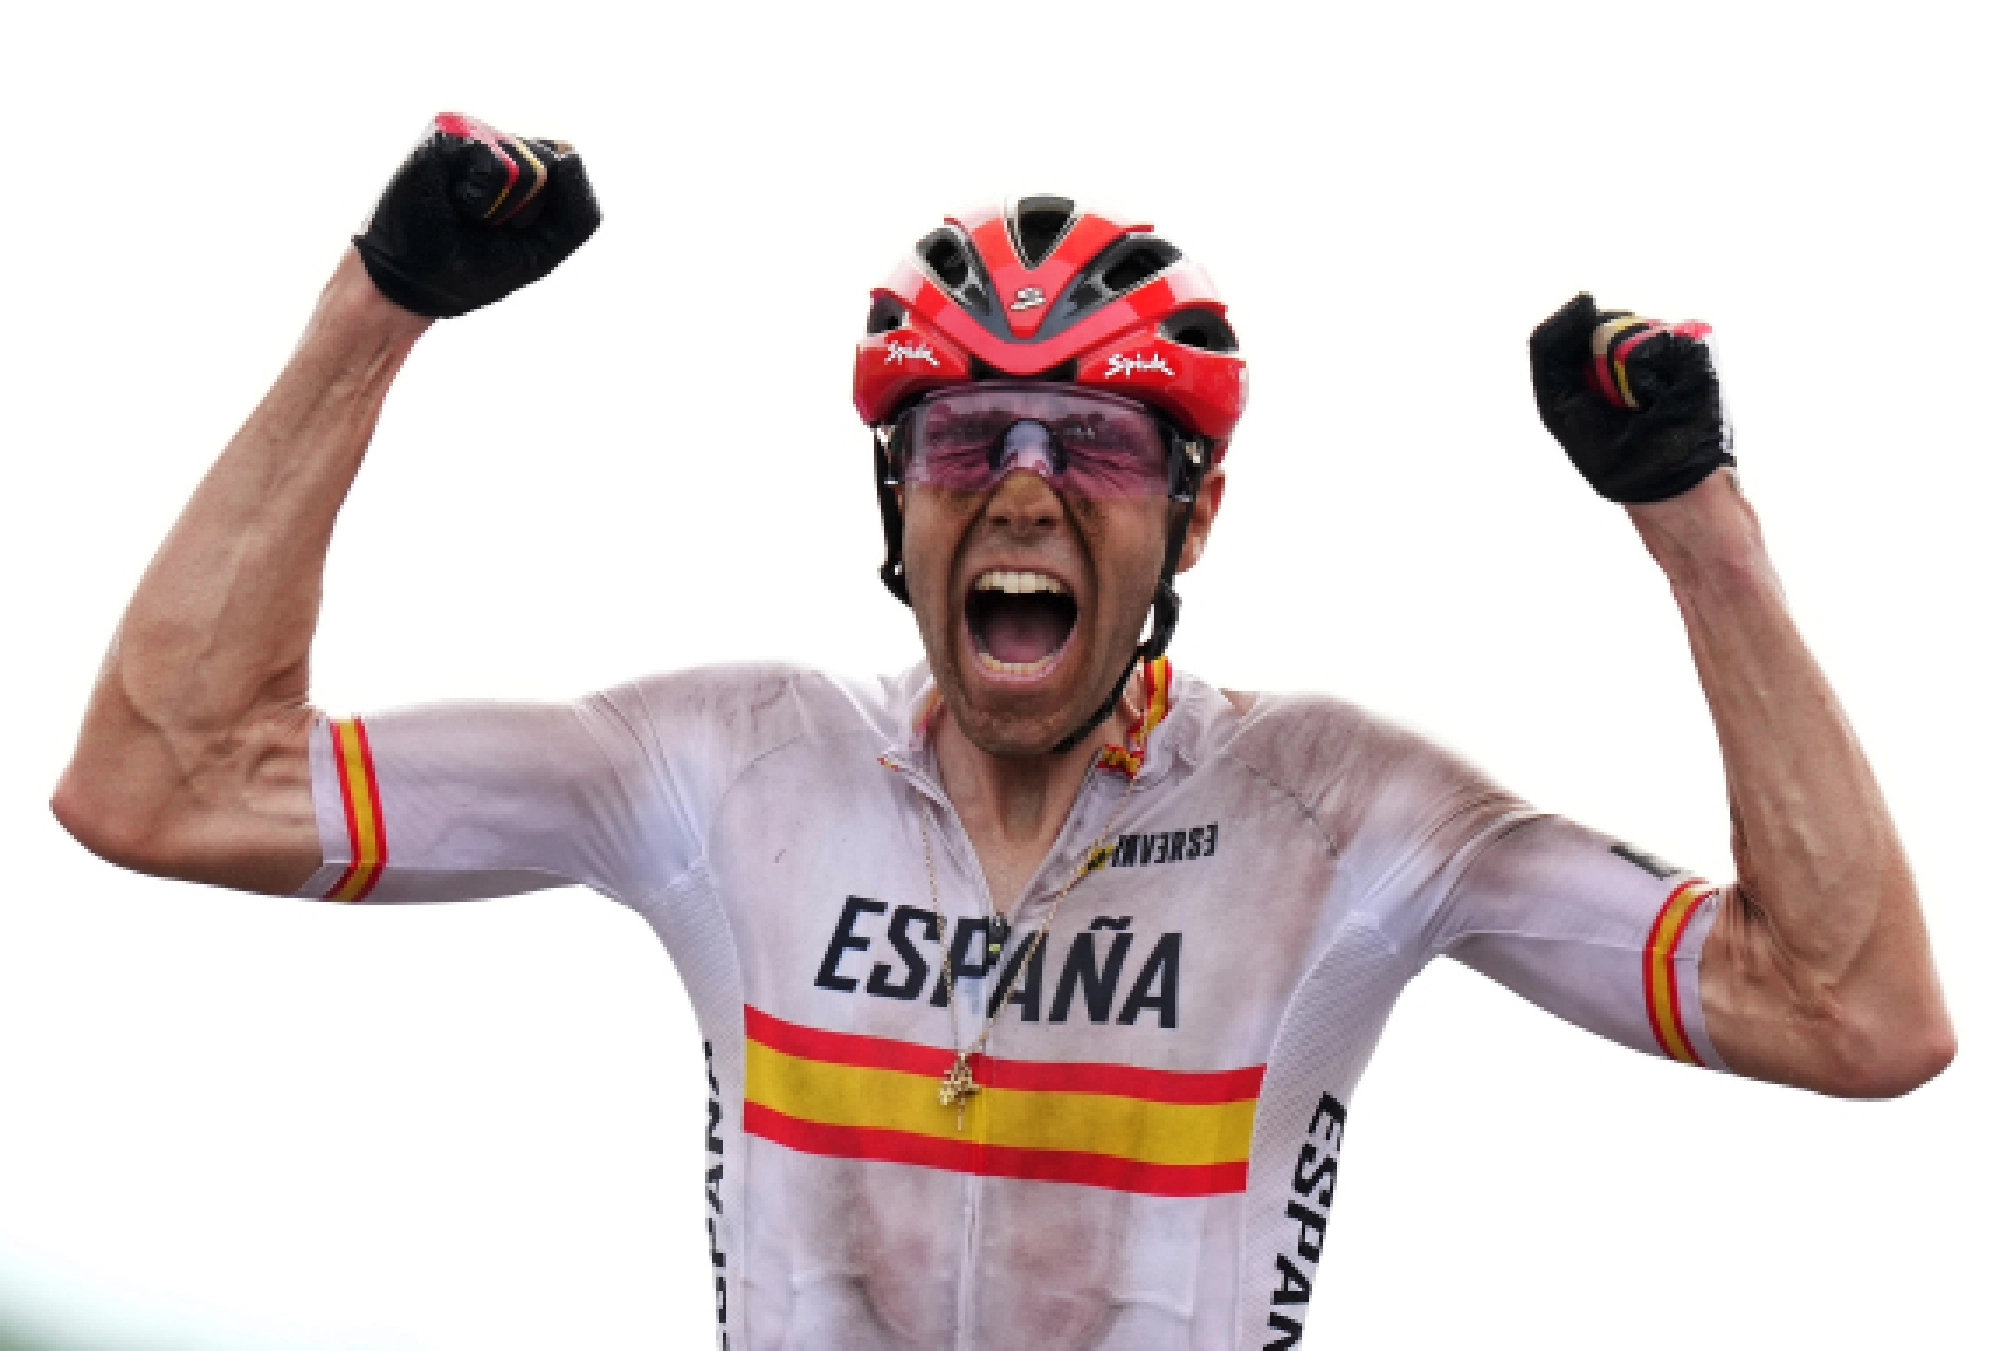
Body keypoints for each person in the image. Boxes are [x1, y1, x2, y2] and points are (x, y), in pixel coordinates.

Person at [51, 115, 1954, 1351]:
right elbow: (161, 778)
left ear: (1191, 520)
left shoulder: (1337, 809)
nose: (1027, 486)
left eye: (1101, 440)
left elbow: (1855, 1012)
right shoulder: (725, 774)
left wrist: (1691, 515)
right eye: (967, 437)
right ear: (898, 508)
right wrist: (373, 311)